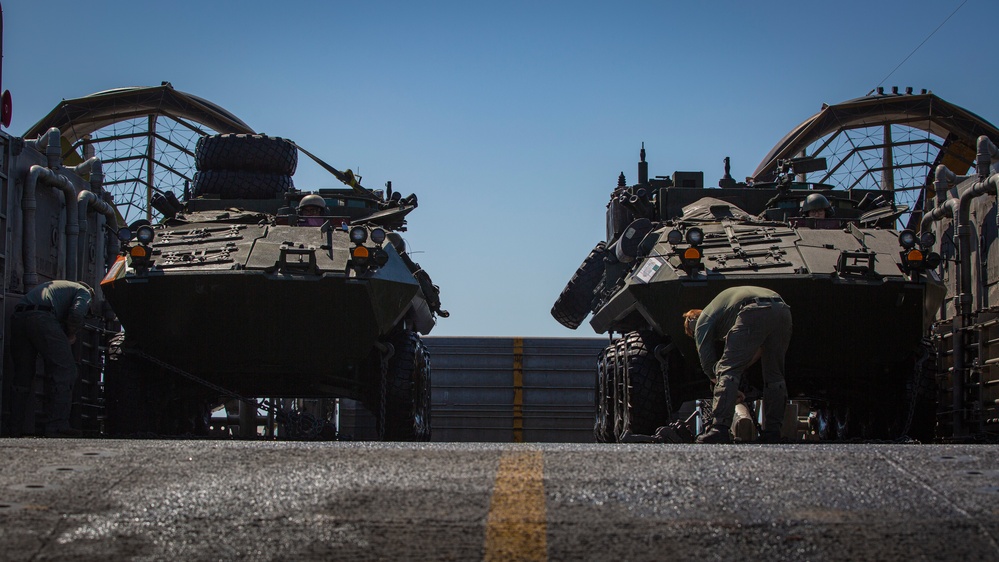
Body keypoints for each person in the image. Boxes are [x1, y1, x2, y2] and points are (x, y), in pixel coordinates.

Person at [682, 286, 792, 444]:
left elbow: (709, 366)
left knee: (727, 370)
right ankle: (773, 432)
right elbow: (758, 350)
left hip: (751, 310)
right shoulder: (722, 310)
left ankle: (719, 429)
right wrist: (734, 384)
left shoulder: (701, 322)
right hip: (782, 310)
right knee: (775, 375)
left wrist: (728, 385)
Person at [9, 280, 94, 437]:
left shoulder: (59, 288)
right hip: (42, 317)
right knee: (66, 371)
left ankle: (14, 428)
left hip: (18, 317)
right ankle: (57, 426)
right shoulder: (84, 291)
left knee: (22, 378)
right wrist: (71, 333)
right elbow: (76, 313)